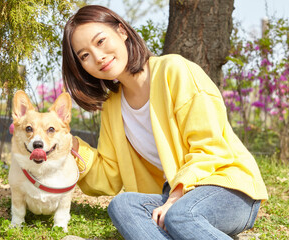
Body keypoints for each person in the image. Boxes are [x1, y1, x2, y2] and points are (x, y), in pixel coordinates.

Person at [62, 5, 268, 240]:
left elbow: (210, 148)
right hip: (175, 196)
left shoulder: (175, 70)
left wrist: (177, 196)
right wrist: (72, 147)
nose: (98, 57)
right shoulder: (112, 106)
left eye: (100, 41)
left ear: (121, 31)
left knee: (179, 216)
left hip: (227, 188)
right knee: (122, 205)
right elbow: (110, 175)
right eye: (84, 55)